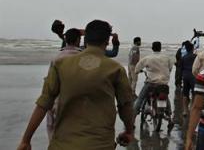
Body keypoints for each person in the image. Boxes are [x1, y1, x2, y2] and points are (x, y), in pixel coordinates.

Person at [18, 20, 134, 150]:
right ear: (107, 41)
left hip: (63, 144)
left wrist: (26, 140)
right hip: (100, 144)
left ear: (85, 40)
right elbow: (126, 106)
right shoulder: (115, 69)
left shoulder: (61, 64)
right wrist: (129, 131)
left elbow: (43, 104)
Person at [45, 28, 83, 140]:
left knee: (55, 133)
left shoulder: (56, 58)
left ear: (65, 40)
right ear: (78, 40)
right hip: (78, 103)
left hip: (57, 101)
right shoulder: (83, 58)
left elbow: (50, 85)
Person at [134, 41, 173, 115]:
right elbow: (170, 68)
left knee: (140, 98)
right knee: (165, 97)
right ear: (160, 48)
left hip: (151, 83)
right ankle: (169, 115)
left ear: (152, 48)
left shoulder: (147, 58)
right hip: (163, 83)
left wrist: (139, 71)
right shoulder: (167, 58)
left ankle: (133, 117)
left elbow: (136, 69)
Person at [181, 41, 197, 117]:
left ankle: (185, 110)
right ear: (193, 48)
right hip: (193, 76)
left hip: (185, 76)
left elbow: (181, 68)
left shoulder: (183, 57)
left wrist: (181, 77)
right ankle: (192, 108)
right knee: (194, 93)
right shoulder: (195, 56)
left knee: (185, 93)